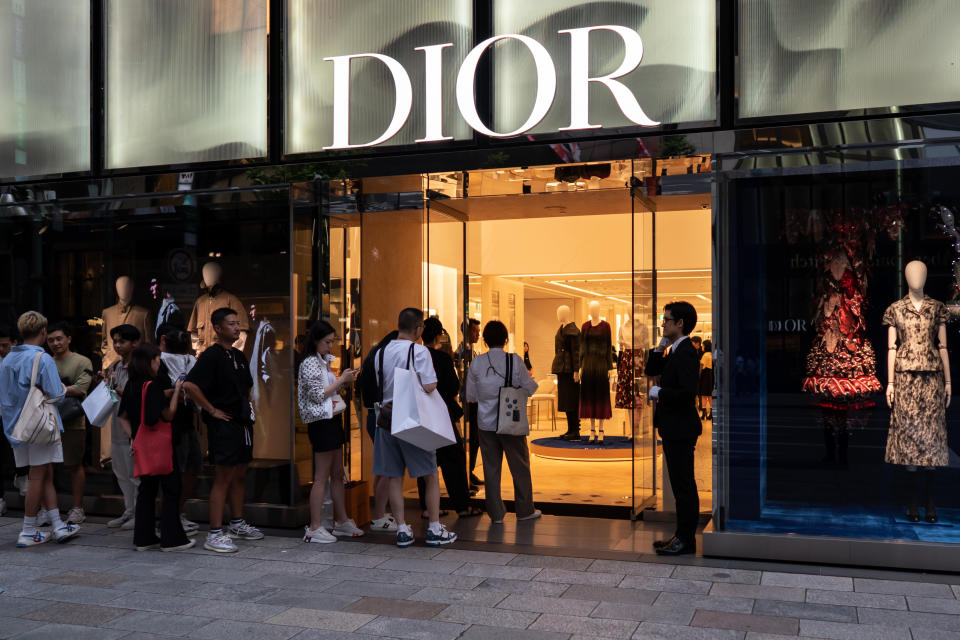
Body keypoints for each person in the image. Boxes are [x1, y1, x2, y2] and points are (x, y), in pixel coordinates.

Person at [374, 308, 456, 547]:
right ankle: (433, 528)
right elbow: (430, 386)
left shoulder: (382, 351)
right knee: (430, 474)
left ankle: (402, 529)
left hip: (386, 419)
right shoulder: (418, 351)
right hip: (410, 418)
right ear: (419, 329)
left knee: (393, 477)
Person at [183, 307, 262, 553]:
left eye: (237, 323)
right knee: (224, 477)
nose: (237, 328)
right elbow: (190, 385)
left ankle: (237, 523)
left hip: (242, 424)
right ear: (218, 328)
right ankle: (215, 532)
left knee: (240, 474)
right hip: (223, 424)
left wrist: (249, 408)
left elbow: (247, 387)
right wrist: (212, 410)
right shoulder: (211, 356)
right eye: (231, 324)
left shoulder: (238, 356)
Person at [1, 311, 80, 546]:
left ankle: (57, 524)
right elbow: (56, 394)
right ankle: (28, 530)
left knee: (42, 473)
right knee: (38, 475)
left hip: (16, 426)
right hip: (39, 425)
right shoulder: (42, 358)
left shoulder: (7, 360)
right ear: (43, 332)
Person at [116, 343, 194, 552]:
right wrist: (177, 390)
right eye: (157, 359)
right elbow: (167, 415)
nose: (160, 362)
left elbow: (122, 416)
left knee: (146, 490)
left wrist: (134, 437)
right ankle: (172, 540)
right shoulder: (154, 385)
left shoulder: (132, 384)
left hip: (143, 445)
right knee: (171, 489)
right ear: (149, 361)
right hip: (162, 446)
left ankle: (144, 539)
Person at [466, 320, 540, 523]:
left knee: (491, 468)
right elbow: (530, 388)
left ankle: (496, 513)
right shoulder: (514, 361)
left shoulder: (477, 363)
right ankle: (525, 510)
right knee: (520, 467)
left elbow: (471, 395)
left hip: (486, 423)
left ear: (485, 340)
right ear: (506, 340)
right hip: (511, 422)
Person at [298, 320, 365, 543]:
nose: (330, 346)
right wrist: (340, 382)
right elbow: (317, 394)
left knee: (338, 473)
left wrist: (341, 381)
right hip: (321, 422)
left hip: (332, 419)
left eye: (332, 341)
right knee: (321, 476)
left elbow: (326, 391)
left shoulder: (322, 362)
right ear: (316, 340)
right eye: (327, 341)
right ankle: (314, 525)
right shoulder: (309, 363)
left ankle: (342, 520)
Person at [645, 301, 702, 556]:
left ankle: (686, 540)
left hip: (681, 428)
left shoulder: (687, 352)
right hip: (673, 428)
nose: (663, 324)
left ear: (680, 323)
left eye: (667, 320)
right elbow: (650, 370)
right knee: (680, 485)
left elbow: (688, 392)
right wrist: (659, 347)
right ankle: (681, 536)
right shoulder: (674, 349)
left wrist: (660, 392)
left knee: (684, 487)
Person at [416, 318, 481, 519]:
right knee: (454, 459)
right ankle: (462, 505)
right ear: (438, 336)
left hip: (420, 414)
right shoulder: (442, 358)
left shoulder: (414, 356)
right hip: (441, 414)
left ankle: (427, 507)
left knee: (426, 461)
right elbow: (453, 387)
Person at [46, 322, 93, 525]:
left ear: (69, 339)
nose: (55, 343)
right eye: (51, 340)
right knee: (45, 467)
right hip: (46, 421)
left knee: (74, 465)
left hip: (73, 421)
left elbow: (81, 389)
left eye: (59, 339)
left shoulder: (82, 361)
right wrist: (66, 387)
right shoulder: (45, 361)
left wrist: (54, 388)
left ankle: (77, 508)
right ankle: (48, 509)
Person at [158, 326, 201, 535]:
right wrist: (177, 390)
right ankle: (170, 516)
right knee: (174, 471)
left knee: (191, 468)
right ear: (163, 339)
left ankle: (178, 512)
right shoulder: (159, 361)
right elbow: (157, 392)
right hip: (168, 424)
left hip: (187, 421)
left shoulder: (190, 361)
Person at [357, 330, 399, 533]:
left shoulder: (373, 356)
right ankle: (379, 516)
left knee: (385, 466)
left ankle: (381, 513)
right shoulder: (383, 359)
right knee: (385, 468)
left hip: (374, 415)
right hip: (382, 416)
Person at [104, 324, 141, 530]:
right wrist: (107, 385)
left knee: (135, 471)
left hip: (132, 424)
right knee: (120, 469)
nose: (117, 345)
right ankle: (128, 510)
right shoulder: (116, 366)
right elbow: (113, 396)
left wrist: (115, 388)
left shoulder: (138, 366)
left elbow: (135, 396)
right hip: (117, 423)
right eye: (115, 341)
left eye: (121, 341)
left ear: (134, 343)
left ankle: (138, 512)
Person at [455, 318, 483, 490]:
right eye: (475, 331)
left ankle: (470, 470)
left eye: (478, 332)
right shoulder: (462, 352)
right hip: (468, 399)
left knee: (476, 438)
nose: (478, 335)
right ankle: (467, 472)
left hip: (474, 399)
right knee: (471, 437)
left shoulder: (472, 351)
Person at [698, 339, 714, 421]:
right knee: (710, 395)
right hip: (711, 375)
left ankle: (704, 413)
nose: (702, 347)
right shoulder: (711, 354)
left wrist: (698, 376)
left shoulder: (705, 355)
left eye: (703, 345)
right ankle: (711, 413)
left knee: (704, 395)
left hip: (705, 376)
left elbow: (701, 367)